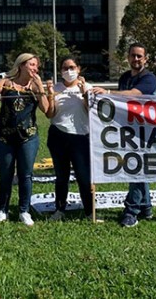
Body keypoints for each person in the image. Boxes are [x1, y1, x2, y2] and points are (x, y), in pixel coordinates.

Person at [92, 42, 156, 227]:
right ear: (128, 57)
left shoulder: (149, 78)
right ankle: (145, 207)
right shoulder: (124, 77)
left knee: (135, 168)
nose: (136, 59)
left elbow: (132, 95)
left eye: (139, 56)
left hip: (146, 131)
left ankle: (131, 211)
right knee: (137, 168)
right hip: (129, 130)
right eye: (133, 56)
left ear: (145, 59)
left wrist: (106, 92)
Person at [0, 53, 51, 226]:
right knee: (5, 175)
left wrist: (40, 88)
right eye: (31, 64)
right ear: (21, 65)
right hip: (4, 137)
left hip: (28, 137)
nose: (35, 68)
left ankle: (24, 210)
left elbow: (47, 110)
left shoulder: (34, 86)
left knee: (25, 175)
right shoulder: (6, 82)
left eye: (36, 65)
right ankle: (1, 209)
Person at [45, 56, 94, 221]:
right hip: (58, 135)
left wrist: (84, 94)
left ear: (79, 69)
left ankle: (89, 211)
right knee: (61, 176)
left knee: (84, 177)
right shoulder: (57, 88)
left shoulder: (87, 87)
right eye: (65, 68)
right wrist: (50, 96)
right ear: (60, 71)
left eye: (72, 67)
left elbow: (92, 112)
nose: (69, 71)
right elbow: (50, 114)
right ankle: (59, 209)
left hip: (81, 137)